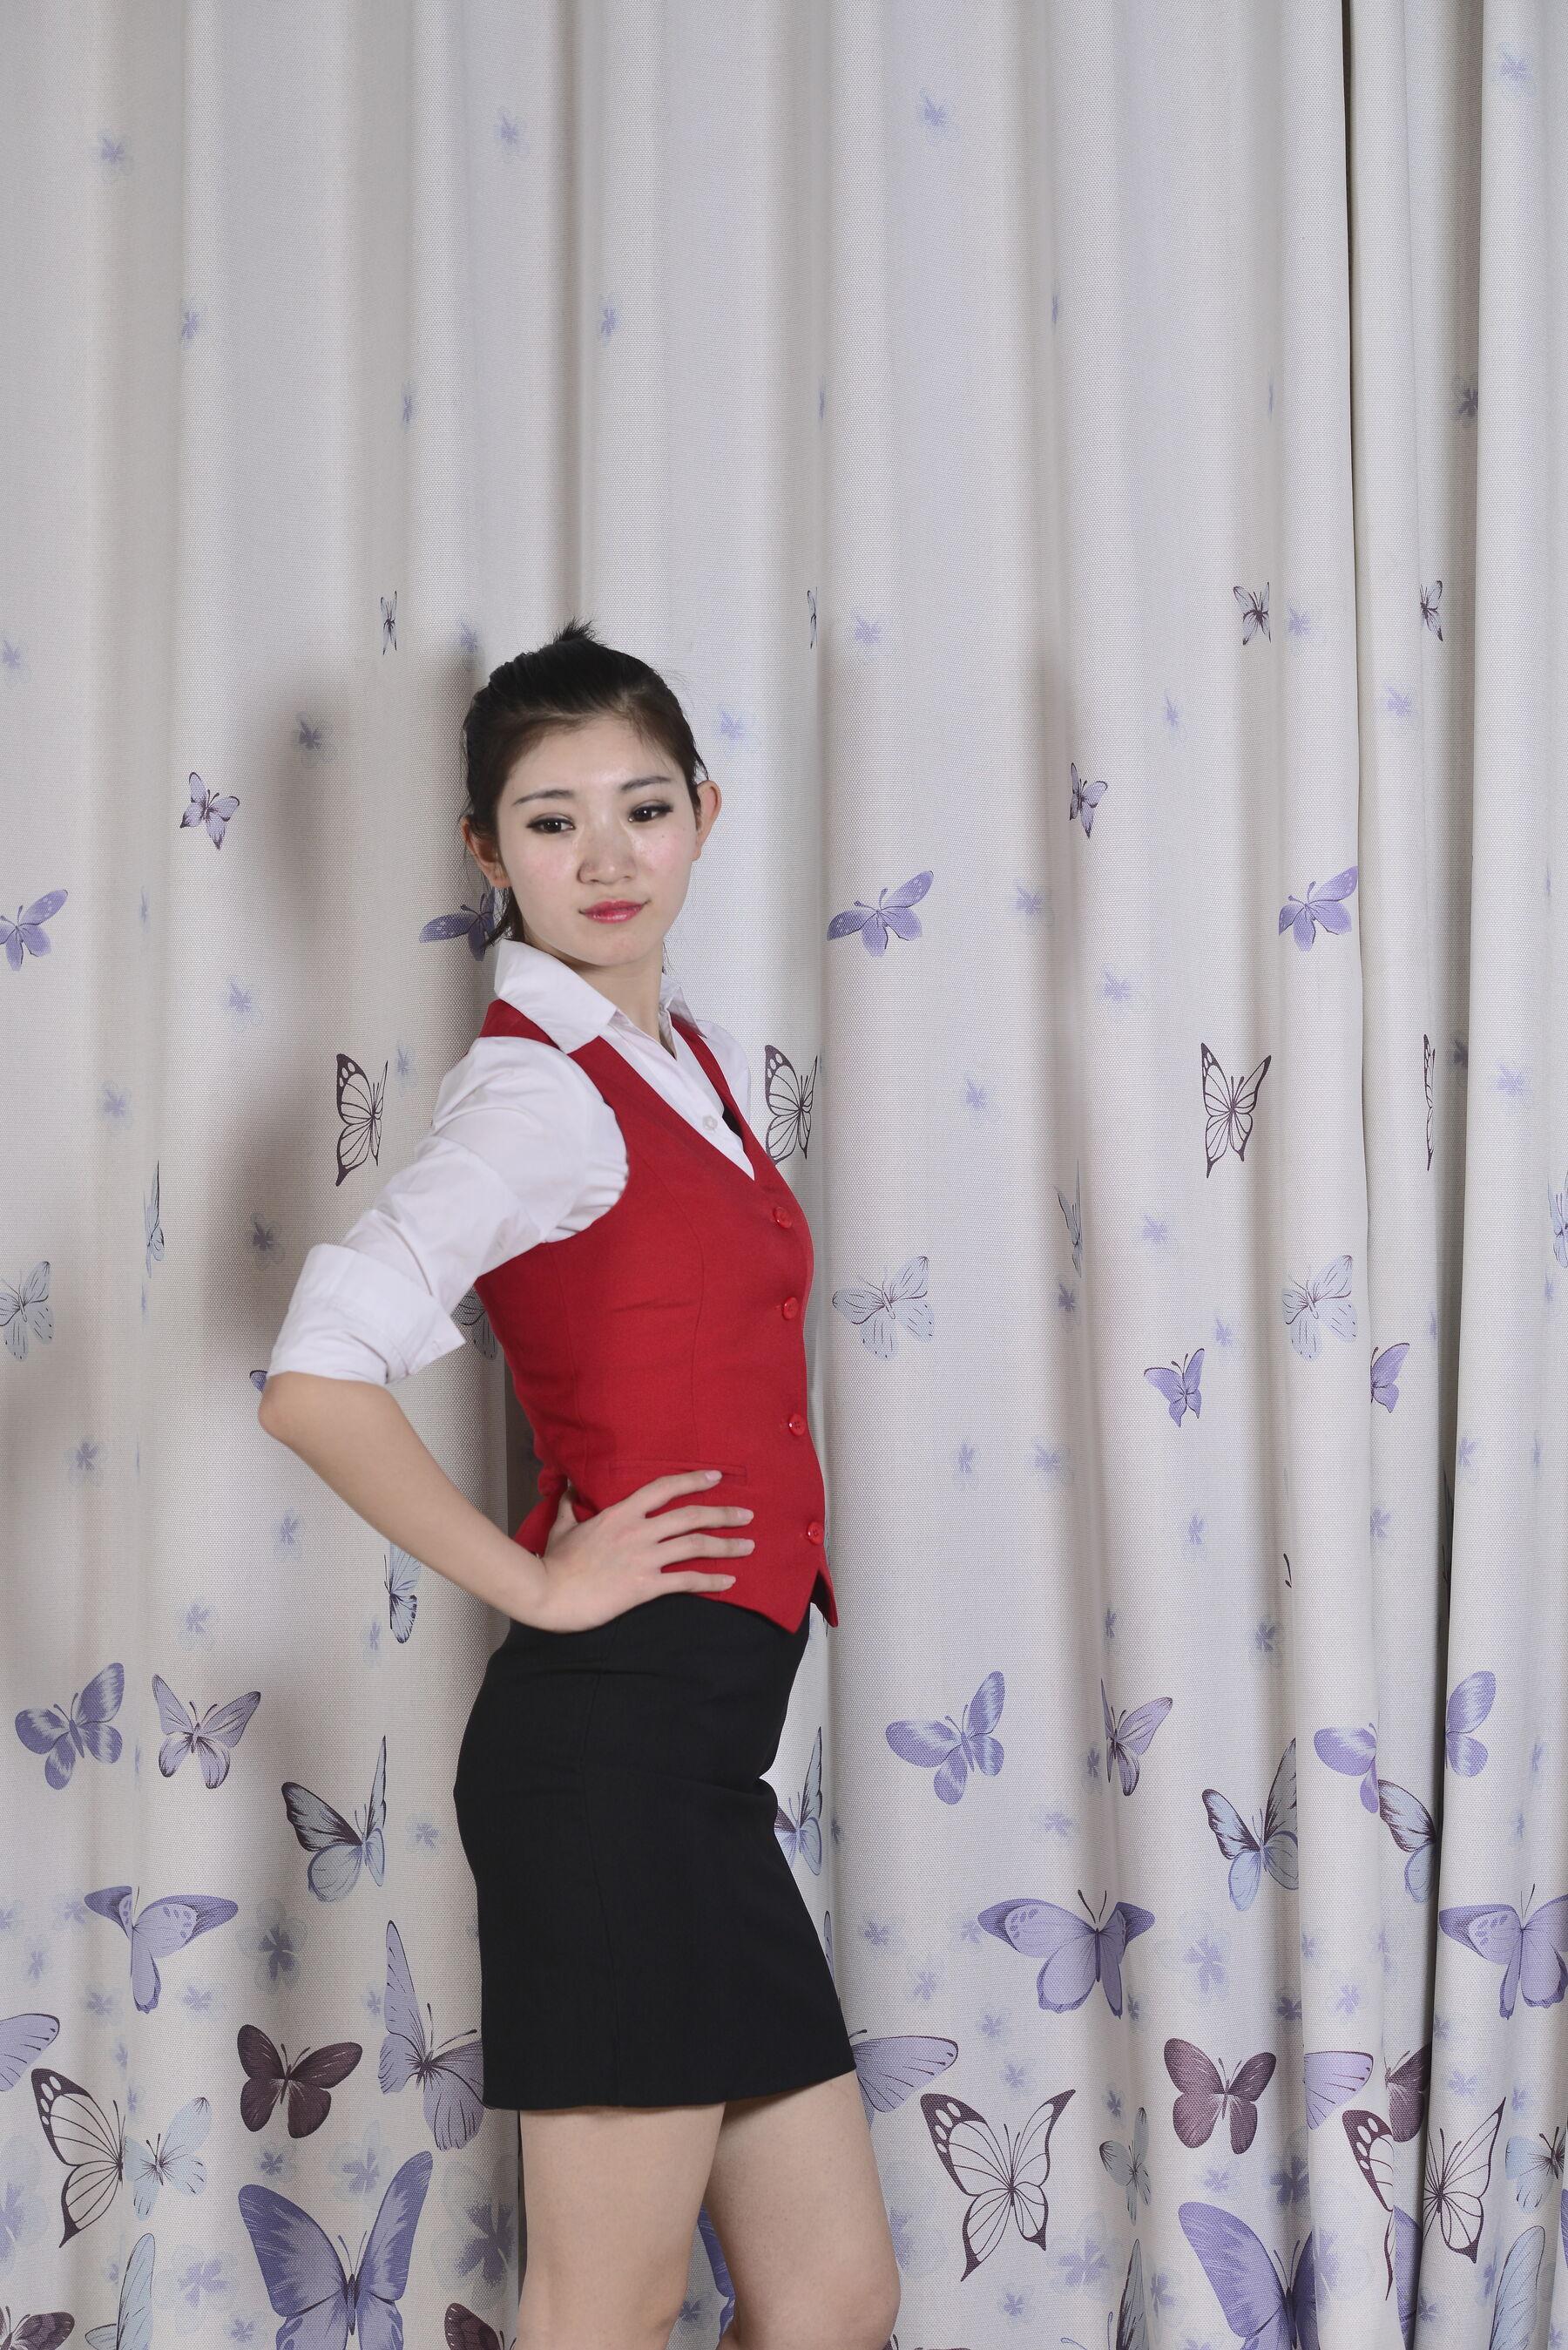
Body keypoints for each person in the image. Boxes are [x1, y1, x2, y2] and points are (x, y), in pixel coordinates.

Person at [257, 619, 901, 2350]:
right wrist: (536, 1577)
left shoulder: (687, 1065)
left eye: (642, 807)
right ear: (487, 850)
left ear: (705, 812)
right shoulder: (538, 1097)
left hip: (698, 1766)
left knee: (833, 2296)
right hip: (610, 1762)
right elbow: (316, 1374)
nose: (607, 856)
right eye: (552, 820)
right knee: (605, 2303)